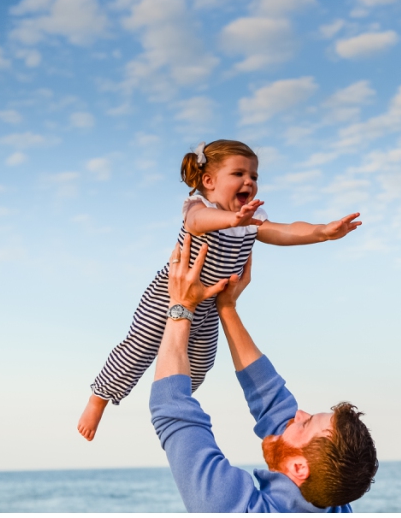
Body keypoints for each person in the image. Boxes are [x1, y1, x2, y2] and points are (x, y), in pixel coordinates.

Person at [78, 139, 362, 441]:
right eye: (238, 174)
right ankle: (99, 398)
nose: (249, 181)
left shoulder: (252, 221)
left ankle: (173, 397)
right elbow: (198, 223)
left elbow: (288, 229)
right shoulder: (200, 208)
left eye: (254, 176)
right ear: (209, 181)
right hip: (167, 296)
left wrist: (321, 233)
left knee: (202, 363)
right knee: (139, 349)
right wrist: (231, 219)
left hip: (209, 307)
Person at [151, 237, 378, 512]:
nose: (299, 413)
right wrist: (227, 307)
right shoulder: (331, 497)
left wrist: (180, 307)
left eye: (304, 424)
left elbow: (170, 407)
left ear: (298, 467)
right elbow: (273, 402)